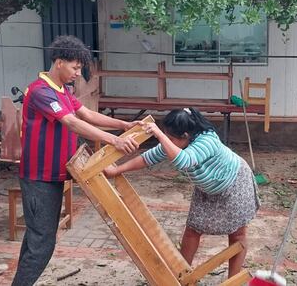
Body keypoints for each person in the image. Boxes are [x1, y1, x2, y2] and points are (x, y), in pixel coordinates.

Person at [12, 35, 141, 286]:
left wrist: (124, 124)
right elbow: (72, 122)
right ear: (59, 62)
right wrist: (113, 141)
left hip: (53, 176)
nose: (77, 73)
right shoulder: (40, 91)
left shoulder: (63, 91)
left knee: (35, 241)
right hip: (39, 178)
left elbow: (86, 114)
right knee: (42, 244)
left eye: (80, 68)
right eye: (75, 67)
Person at [103, 107, 260, 279]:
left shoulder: (207, 140)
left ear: (185, 136)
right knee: (192, 230)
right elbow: (149, 157)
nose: (166, 141)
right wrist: (117, 170)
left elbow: (184, 161)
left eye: (170, 138)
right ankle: (181, 276)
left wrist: (161, 136)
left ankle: (233, 279)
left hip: (235, 184)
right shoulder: (177, 141)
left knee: (237, 233)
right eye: (166, 135)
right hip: (208, 190)